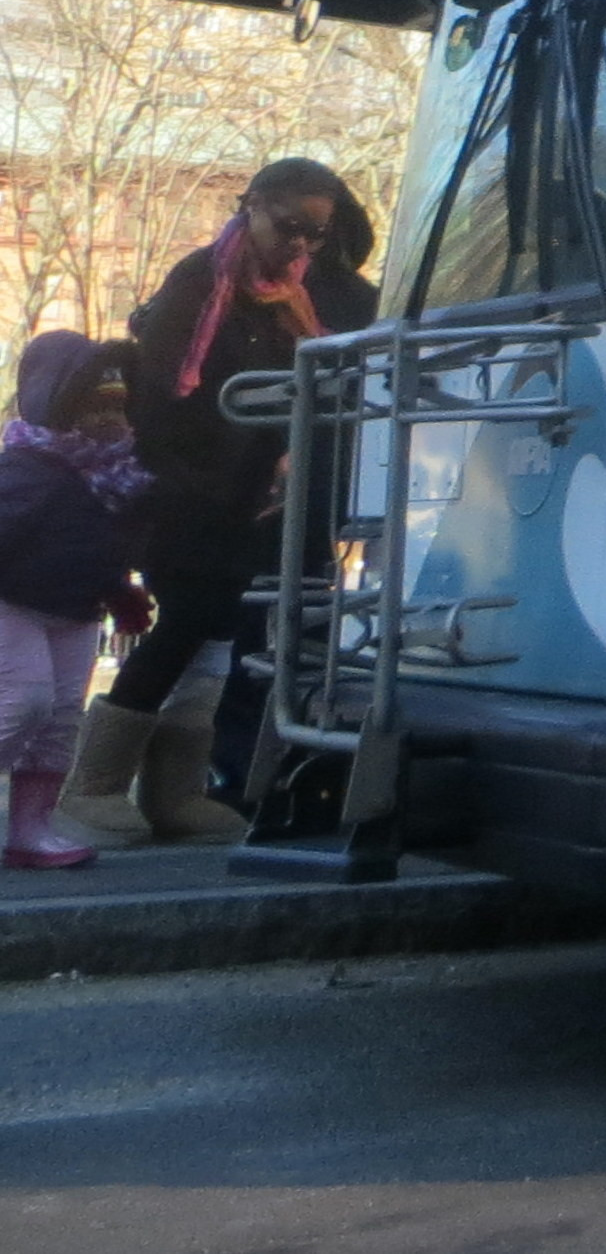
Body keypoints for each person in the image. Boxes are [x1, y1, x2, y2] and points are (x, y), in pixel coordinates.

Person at [59, 160, 375, 843]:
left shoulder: (310, 295)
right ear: (252, 207)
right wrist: (233, 464)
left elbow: (326, 379)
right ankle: (93, 784)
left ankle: (176, 795)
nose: (301, 246)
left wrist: (294, 451)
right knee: (188, 621)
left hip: (271, 499)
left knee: (230, 638)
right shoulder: (199, 283)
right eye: (290, 227)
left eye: (316, 234)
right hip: (192, 494)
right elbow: (168, 402)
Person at [0, 333, 151, 867]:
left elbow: (101, 544)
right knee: (23, 701)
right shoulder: (25, 469)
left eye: (117, 404)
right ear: (61, 405)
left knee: (62, 720)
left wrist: (118, 588)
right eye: (94, 405)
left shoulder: (114, 474)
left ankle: (30, 828)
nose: (109, 417)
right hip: (14, 602)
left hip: (76, 609)